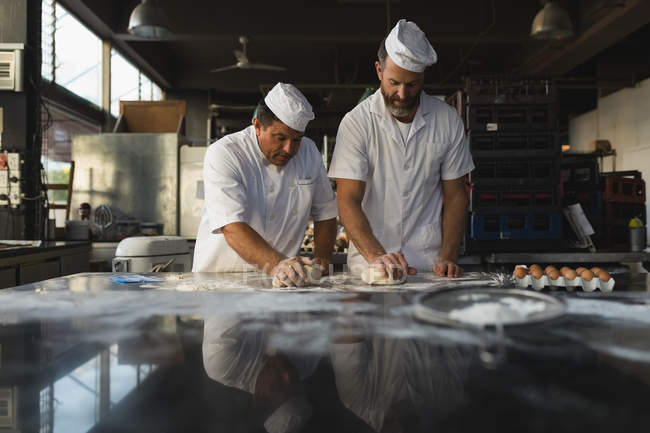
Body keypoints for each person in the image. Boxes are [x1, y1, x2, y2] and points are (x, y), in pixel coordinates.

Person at [328, 19, 474, 279]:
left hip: (429, 264)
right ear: (378, 71)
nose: (403, 94)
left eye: (412, 84)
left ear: (423, 78)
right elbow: (347, 199)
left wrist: (449, 255)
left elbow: (456, 195)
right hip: (369, 266)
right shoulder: (357, 123)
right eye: (394, 82)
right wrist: (376, 257)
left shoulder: (447, 120)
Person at [193, 83, 338, 287]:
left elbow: (326, 212)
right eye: (280, 138)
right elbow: (232, 226)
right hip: (223, 281)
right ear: (258, 125)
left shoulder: (309, 152)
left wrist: (322, 260)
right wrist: (277, 264)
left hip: (283, 280)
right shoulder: (226, 153)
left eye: (297, 139)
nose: (289, 149)